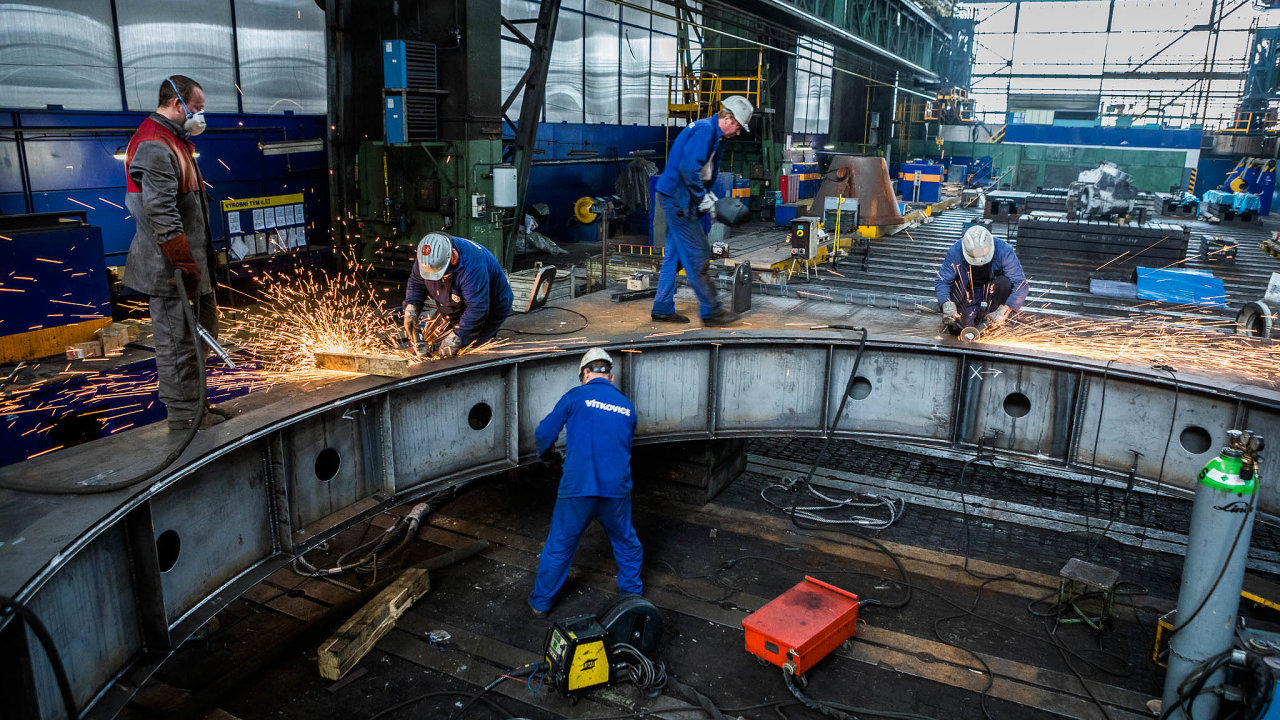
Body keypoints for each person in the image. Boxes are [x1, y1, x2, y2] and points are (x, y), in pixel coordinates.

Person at [122, 75, 226, 431]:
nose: (200, 116)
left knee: (203, 331)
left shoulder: (175, 139)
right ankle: (184, 416)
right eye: (196, 109)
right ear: (176, 103)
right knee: (178, 340)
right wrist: (181, 260)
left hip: (193, 265)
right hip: (171, 268)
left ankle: (198, 404)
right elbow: (160, 211)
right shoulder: (154, 142)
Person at [528, 347, 643, 617]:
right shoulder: (627, 406)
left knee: (559, 546)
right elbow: (624, 444)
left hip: (578, 488)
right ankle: (632, 598)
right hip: (615, 490)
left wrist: (547, 455)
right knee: (627, 542)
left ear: (585, 374)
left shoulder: (576, 396)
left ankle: (541, 603)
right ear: (610, 378)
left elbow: (544, 433)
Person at [650, 95, 754, 326]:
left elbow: (700, 172)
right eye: (737, 126)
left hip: (678, 197)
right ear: (727, 118)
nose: (738, 133)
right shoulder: (705, 131)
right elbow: (688, 170)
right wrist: (704, 201)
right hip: (679, 201)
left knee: (673, 256)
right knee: (698, 256)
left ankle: (662, 307)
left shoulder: (712, 135)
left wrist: (710, 198)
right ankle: (711, 312)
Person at [402, 232, 513, 357]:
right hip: (456, 304)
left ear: (454, 258)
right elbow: (417, 283)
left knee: (470, 350)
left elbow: (478, 308)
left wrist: (458, 336)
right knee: (434, 342)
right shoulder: (427, 256)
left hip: (490, 306)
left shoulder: (472, 266)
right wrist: (411, 306)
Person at [936, 224, 1028, 333]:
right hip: (966, 288)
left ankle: (994, 318)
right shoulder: (955, 251)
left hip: (993, 288)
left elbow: (1021, 284)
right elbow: (942, 281)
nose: (979, 264)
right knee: (959, 328)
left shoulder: (1004, 251)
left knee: (1004, 283)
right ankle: (963, 315)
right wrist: (946, 304)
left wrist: (1005, 310)